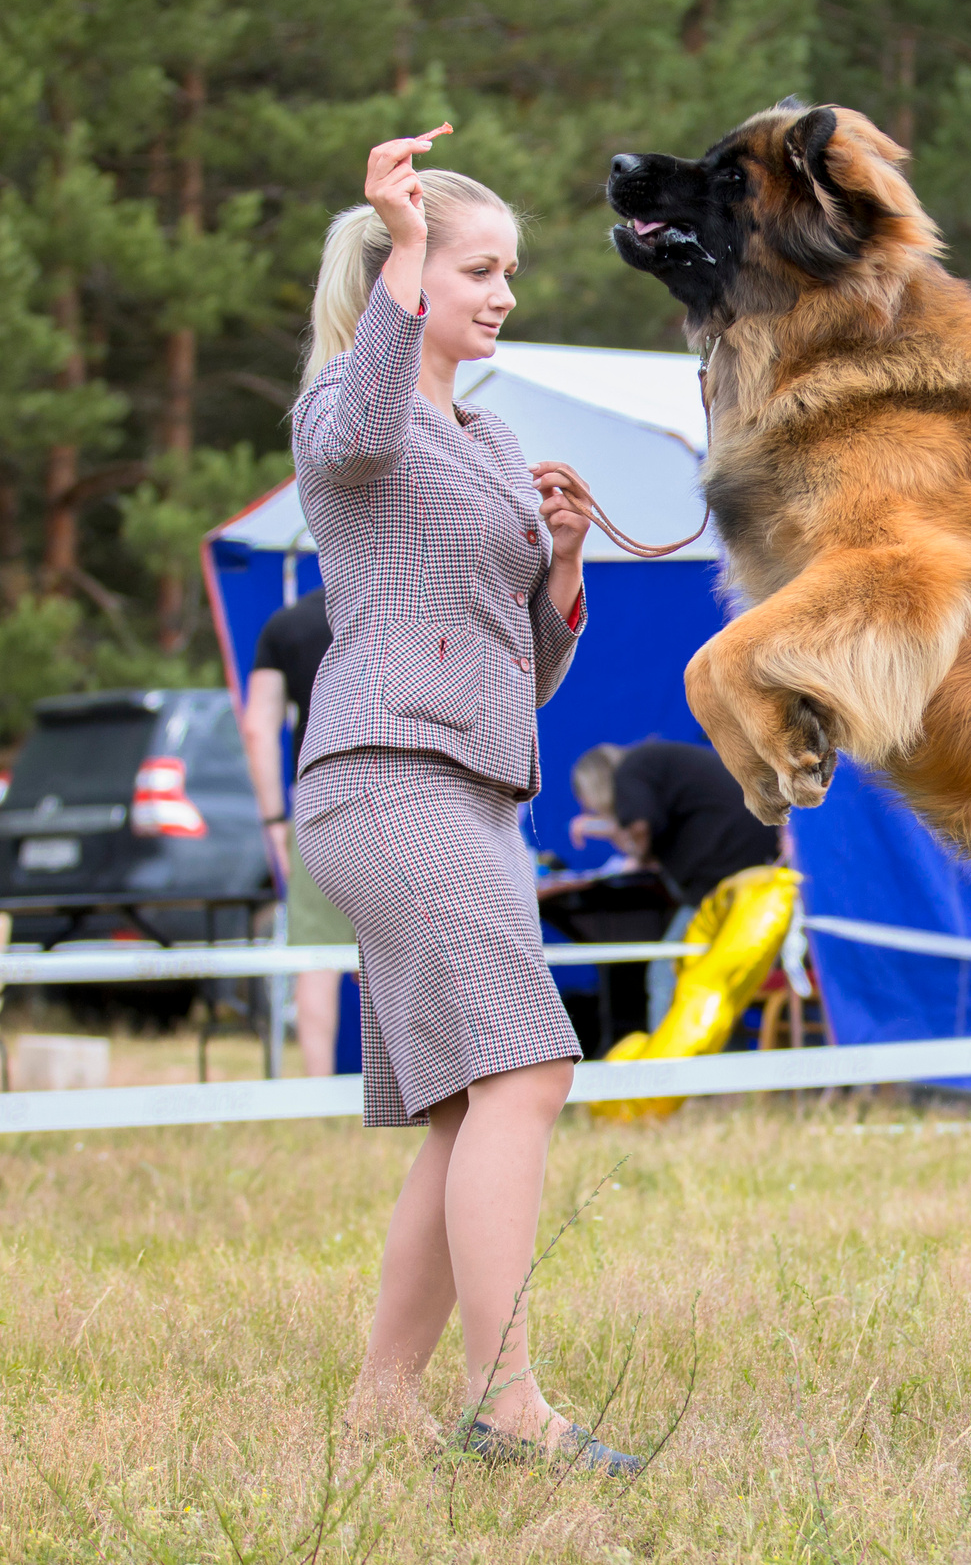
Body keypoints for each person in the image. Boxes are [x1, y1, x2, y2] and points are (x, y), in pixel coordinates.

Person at [287, 129, 637, 1475]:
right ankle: (511, 1404)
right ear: (409, 274)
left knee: (468, 1106)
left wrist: (558, 566)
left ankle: (386, 1397)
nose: (504, 294)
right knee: (529, 1073)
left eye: (509, 272)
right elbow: (370, 422)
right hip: (385, 776)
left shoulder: (491, 440)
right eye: (479, 269)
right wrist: (404, 241)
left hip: (478, 787)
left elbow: (527, 670)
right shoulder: (342, 409)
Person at [569, 739, 782, 1030]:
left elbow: (639, 827)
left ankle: (667, 1072)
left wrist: (636, 854)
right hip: (750, 866)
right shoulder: (652, 768)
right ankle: (722, 1059)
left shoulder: (630, 772)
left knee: (666, 971)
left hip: (722, 875)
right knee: (711, 976)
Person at [241, 586, 351, 1076]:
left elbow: (258, 729)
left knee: (318, 956)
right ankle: (428, 1097)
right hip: (409, 787)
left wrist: (274, 822)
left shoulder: (286, 625)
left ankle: (320, 1094)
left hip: (321, 795)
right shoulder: (408, 603)